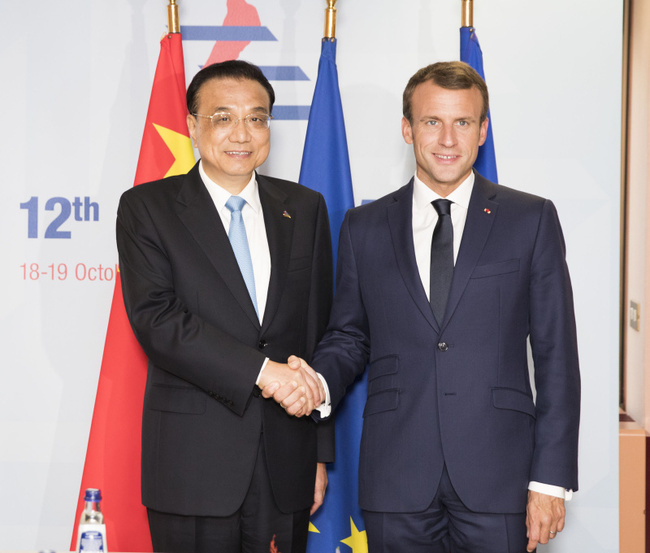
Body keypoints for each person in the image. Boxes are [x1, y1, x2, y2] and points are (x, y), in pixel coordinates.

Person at [268, 61, 580, 553]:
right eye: (433, 121)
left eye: (463, 122)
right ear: (407, 129)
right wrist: (318, 382)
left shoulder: (531, 219)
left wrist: (550, 481)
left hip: (500, 475)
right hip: (396, 476)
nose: (448, 139)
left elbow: (557, 356)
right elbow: (349, 336)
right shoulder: (362, 227)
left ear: (483, 131)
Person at [116, 60, 333, 553]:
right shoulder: (147, 208)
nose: (242, 133)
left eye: (256, 118)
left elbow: (319, 332)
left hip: (287, 462)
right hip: (192, 466)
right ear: (193, 126)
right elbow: (158, 320)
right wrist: (264, 372)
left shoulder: (305, 208)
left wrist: (319, 453)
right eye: (223, 117)